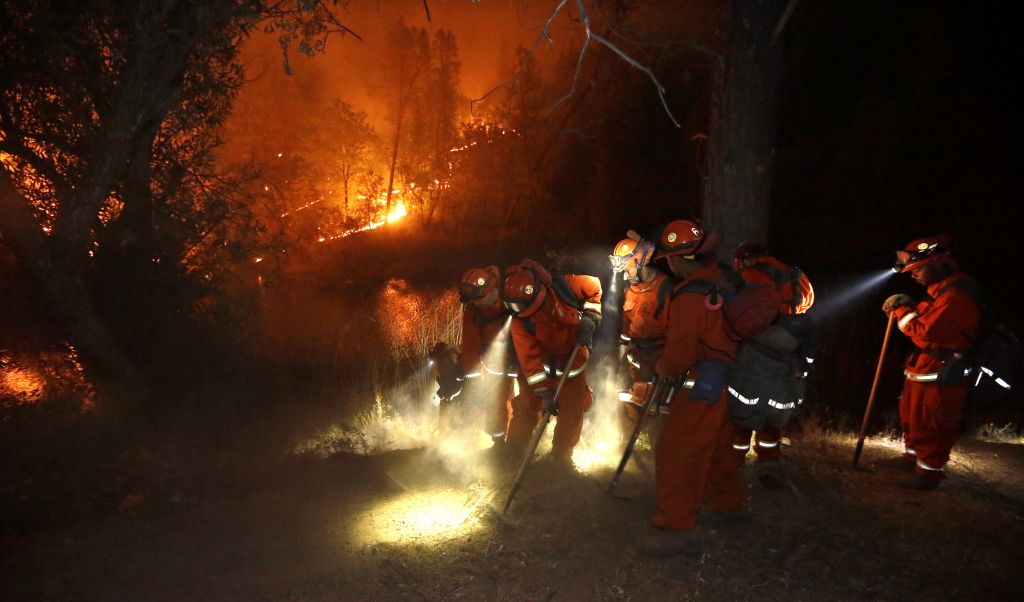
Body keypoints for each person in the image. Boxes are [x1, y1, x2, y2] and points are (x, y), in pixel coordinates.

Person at [639, 219, 743, 557]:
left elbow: (681, 352)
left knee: (677, 451)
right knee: (719, 448)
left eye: (669, 258)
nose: (669, 264)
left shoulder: (690, 295)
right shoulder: (723, 280)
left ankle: (676, 527)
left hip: (705, 385)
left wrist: (660, 366)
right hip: (736, 380)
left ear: (681, 259)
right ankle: (725, 506)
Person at [883, 234, 981, 491]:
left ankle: (928, 476)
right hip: (924, 368)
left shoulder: (958, 293)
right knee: (912, 416)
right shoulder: (939, 290)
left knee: (933, 422)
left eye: (918, 270)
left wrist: (901, 311)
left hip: (943, 373)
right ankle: (912, 460)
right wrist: (909, 303)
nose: (913, 275)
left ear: (938, 263)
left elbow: (927, 332)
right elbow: (926, 316)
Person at [502, 258, 602, 465]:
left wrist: (591, 315)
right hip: (541, 370)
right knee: (527, 407)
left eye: (520, 305)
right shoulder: (520, 320)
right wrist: (543, 392)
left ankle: (561, 458)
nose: (516, 309)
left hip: (573, 366)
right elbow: (529, 361)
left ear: (537, 293)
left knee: (572, 412)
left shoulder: (566, 287)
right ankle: (513, 452)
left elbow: (594, 286)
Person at [730, 242, 816, 464]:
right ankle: (769, 461)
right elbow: (802, 315)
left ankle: (733, 459)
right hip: (789, 355)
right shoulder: (798, 277)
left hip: (756, 350)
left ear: (745, 259)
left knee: (741, 408)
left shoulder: (750, 276)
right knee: (774, 414)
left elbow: (740, 315)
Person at [609, 234, 675, 434]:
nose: (626, 273)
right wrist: (625, 345)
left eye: (628, 267)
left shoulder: (666, 288)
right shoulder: (631, 289)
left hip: (659, 355)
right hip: (635, 353)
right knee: (626, 397)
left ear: (642, 261)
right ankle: (624, 443)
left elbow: (675, 326)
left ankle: (656, 449)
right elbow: (627, 324)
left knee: (656, 403)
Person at [456, 266, 517, 447]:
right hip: (494, 365)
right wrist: (473, 380)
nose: (475, 304)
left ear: (491, 291)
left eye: (478, 300)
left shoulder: (513, 295)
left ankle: (524, 441)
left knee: (526, 402)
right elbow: (470, 346)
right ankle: (498, 443)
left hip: (523, 359)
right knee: (495, 403)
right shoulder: (474, 312)